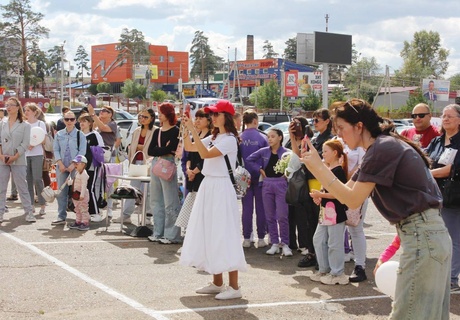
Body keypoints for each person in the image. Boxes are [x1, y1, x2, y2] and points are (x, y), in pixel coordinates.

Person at [301, 98, 450, 319]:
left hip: (423, 236)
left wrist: (318, 167)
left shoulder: (382, 148)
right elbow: (344, 192)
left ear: (359, 126)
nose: (339, 135)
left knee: (409, 313)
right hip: (428, 236)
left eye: (341, 128)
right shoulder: (381, 147)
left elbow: (352, 199)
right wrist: (318, 165)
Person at [180, 100, 247, 300]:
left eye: (216, 114)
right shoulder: (216, 136)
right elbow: (190, 146)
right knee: (210, 232)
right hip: (209, 186)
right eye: (213, 114)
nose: (213, 117)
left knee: (224, 234)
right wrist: (186, 129)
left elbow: (204, 153)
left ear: (226, 117)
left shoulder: (230, 139)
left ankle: (234, 287)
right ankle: (218, 283)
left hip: (221, 187)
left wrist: (192, 127)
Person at [426, 104, 460, 292]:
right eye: (443, 115)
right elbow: (424, 160)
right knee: (437, 237)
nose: (445, 119)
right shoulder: (437, 142)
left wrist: (427, 174)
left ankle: (452, 279)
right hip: (434, 196)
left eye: (450, 116)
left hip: (454, 197)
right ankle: (439, 274)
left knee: (453, 238)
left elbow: (451, 169)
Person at [309, 139, 349, 285]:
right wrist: (319, 196)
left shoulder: (338, 171)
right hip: (326, 212)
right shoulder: (329, 170)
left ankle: (337, 273)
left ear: (335, 153)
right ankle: (324, 269)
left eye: (325, 151)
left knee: (334, 243)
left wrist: (320, 195)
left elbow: (337, 193)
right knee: (318, 240)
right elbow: (327, 190)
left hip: (336, 212)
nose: (323, 154)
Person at [246, 128, 292, 256]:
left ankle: (285, 244)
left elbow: (296, 164)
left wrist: (287, 173)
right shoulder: (264, 151)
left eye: (273, 136)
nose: (270, 139)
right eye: (269, 137)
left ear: (280, 138)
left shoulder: (287, 153)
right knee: (270, 216)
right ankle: (274, 243)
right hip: (267, 183)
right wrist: (260, 169)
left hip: (281, 183)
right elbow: (249, 159)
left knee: (282, 215)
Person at [297, 109, 333, 268]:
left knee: (323, 223)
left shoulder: (331, 140)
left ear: (327, 121)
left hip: (323, 184)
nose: (314, 124)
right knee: (311, 221)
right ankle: (313, 253)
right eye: (313, 121)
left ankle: (322, 258)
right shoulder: (316, 139)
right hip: (311, 183)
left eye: (317, 120)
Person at [113, 109, 157, 224]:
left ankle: (147, 216)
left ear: (152, 118)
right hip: (135, 162)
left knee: (147, 191)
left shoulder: (156, 131)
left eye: (145, 117)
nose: (142, 119)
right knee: (132, 189)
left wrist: (141, 147)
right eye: (141, 116)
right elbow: (132, 147)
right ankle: (126, 215)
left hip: (148, 163)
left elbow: (152, 148)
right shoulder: (137, 131)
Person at [147, 103, 181, 244]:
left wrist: (162, 149)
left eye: (161, 112)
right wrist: (164, 148)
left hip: (167, 164)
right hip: (157, 164)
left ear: (168, 114)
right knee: (155, 200)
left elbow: (172, 148)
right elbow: (150, 151)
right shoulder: (157, 131)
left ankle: (171, 235)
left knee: (170, 200)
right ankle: (158, 232)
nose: (158, 115)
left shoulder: (176, 130)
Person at [175, 109, 212, 235]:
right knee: (191, 205)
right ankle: (192, 232)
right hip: (192, 176)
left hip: (203, 175)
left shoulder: (211, 136)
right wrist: (188, 170)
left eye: (201, 118)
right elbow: (188, 154)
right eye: (196, 118)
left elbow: (206, 158)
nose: (197, 121)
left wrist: (195, 171)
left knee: (203, 208)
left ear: (209, 120)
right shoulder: (195, 135)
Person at [0, 97, 34, 223]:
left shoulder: (25, 125)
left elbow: (25, 144)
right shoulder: (2, 123)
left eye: (11, 105)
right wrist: (2, 156)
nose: (8, 107)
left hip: (18, 159)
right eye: (6, 105)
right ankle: (0, 212)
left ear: (17, 107)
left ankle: (29, 211)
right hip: (3, 159)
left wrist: (14, 156)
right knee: (1, 187)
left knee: (21, 186)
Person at [51, 111, 87, 225]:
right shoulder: (59, 134)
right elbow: (55, 149)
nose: (69, 121)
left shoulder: (80, 135)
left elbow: (82, 151)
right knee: (61, 192)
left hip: (75, 167)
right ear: (63, 120)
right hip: (61, 166)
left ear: (75, 121)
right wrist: (60, 163)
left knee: (76, 191)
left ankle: (80, 217)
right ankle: (61, 216)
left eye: (72, 119)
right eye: (67, 119)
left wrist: (74, 165)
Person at [239, 109, 268, 248]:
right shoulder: (263, 138)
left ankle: (246, 237)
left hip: (243, 176)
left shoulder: (239, 137)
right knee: (261, 207)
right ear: (255, 121)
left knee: (246, 208)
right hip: (260, 175)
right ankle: (261, 237)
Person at [287, 116, 314, 256]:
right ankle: (294, 242)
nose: (293, 127)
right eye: (292, 124)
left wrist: (295, 138)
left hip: (305, 182)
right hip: (293, 183)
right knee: (293, 214)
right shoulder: (290, 140)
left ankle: (305, 244)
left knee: (304, 216)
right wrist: (291, 136)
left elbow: (298, 155)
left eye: (296, 125)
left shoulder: (307, 141)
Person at [87, 104, 118, 220]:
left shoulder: (112, 124)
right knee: (97, 182)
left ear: (111, 114)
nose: (102, 112)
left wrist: (93, 115)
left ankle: (109, 208)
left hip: (108, 156)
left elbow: (104, 128)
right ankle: (97, 208)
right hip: (96, 155)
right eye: (101, 110)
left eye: (105, 111)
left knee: (108, 182)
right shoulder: (97, 122)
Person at [78, 113, 104, 222]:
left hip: (92, 165)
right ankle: (84, 212)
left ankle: (96, 212)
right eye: (80, 121)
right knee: (81, 189)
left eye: (84, 121)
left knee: (90, 188)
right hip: (79, 166)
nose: (82, 123)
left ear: (90, 123)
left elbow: (102, 149)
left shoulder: (94, 135)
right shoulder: (78, 135)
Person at [23, 102, 47, 216]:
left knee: (37, 178)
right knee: (28, 180)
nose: (26, 112)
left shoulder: (40, 123)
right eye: (25, 110)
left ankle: (42, 204)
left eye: (28, 110)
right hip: (25, 155)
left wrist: (33, 143)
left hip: (37, 154)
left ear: (34, 112)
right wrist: (26, 144)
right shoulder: (23, 124)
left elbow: (44, 139)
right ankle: (31, 204)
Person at [67, 155, 90, 231]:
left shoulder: (84, 175)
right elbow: (75, 181)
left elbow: (84, 185)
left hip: (81, 195)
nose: (75, 165)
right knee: (77, 208)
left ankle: (85, 222)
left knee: (83, 208)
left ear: (83, 164)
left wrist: (82, 195)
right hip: (76, 194)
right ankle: (78, 221)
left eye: (77, 163)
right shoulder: (77, 173)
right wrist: (70, 182)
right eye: (74, 164)